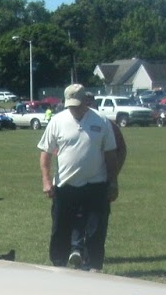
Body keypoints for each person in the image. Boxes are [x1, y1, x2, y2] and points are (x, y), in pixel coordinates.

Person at [38, 83, 118, 270]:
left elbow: (110, 154)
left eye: (77, 105)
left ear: (85, 102)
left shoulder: (101, 121)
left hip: (95, 185)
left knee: (95, 230)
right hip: (65, 186)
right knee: (60, 229)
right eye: (70, 105)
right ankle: (58, 265)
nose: (73, 109)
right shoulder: (57, 121)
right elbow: (45, 153)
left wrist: (113, 182)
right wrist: (46, 180)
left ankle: (93, 267)